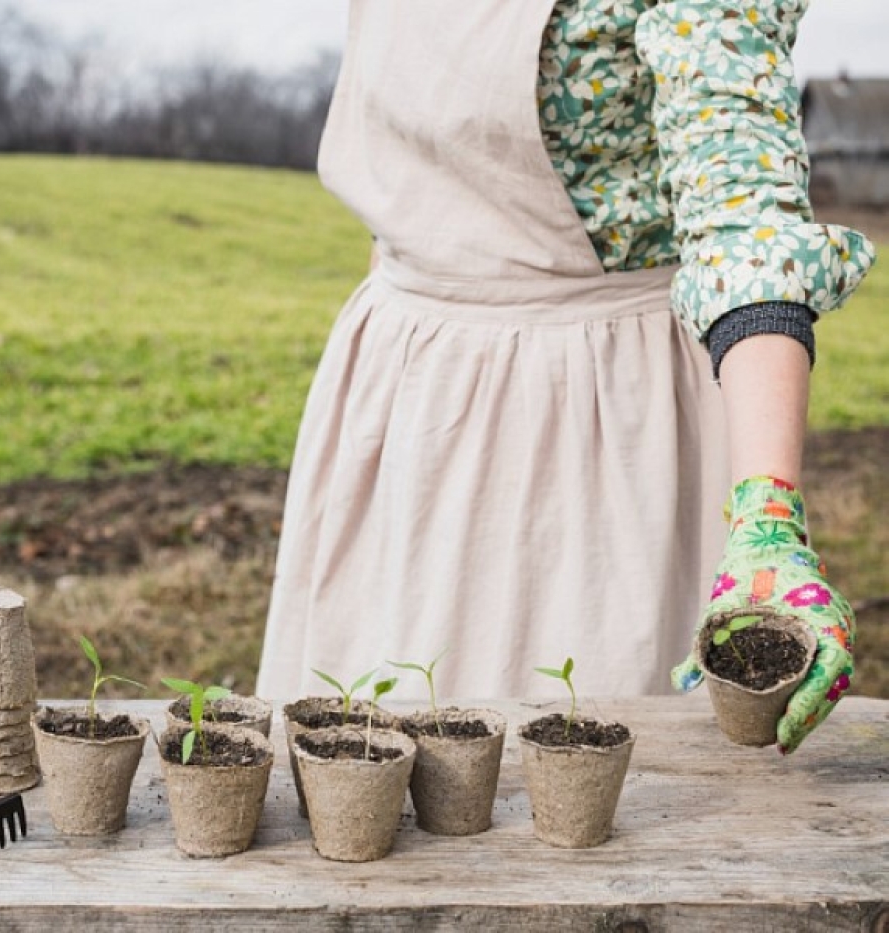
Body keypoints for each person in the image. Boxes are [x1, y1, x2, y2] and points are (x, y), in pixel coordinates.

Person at [255, 0, 874, 754]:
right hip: (400, 383)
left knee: (574, 786)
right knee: (357, 774)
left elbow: (743, 213)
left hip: (597, 418)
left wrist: (768, 513)